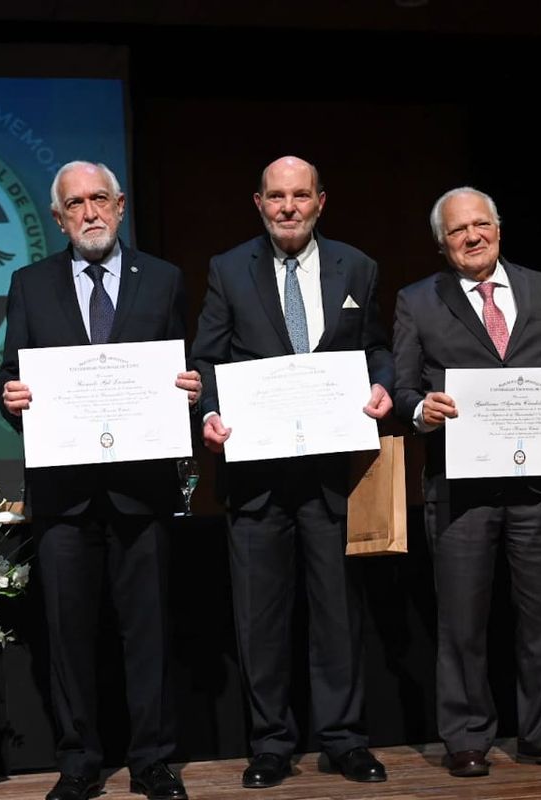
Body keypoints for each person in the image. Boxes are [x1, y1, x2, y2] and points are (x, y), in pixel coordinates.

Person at [0, 161, 200, 800]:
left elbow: (185, 366)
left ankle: (153, 761)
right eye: (75, 204)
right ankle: (79, 762)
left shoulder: (163, 280)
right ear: (58, 218)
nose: (90, 212)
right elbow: (8, 375)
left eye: (100, 200)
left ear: (120, 205)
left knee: (149, 632)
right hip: (64, 490)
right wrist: (10, 396)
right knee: (68, 634)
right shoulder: (30, 284)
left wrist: (193, 388)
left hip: (143, 488)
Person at [189, 155, 393, 789]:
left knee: (337, 612)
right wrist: (212, 411)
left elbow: (378, 347)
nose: (288, 207)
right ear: (258, 203)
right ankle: (271, 744)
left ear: (320, 202)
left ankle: (344, 739)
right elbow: (208, 357)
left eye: (300, 196)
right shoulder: (228, 268)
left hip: (333, 470)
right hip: (255, 474)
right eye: (276, 196)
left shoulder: (356, 266)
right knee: (261, 616)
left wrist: (384, 385)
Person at [392, 187, 541, 778]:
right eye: (457, 231)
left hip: (538, 482)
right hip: (461, 488)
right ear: (442, 243)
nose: (471, 237)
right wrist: (418, 409)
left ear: (499, 229)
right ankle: (465, 737)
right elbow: (404, 386)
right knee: (461, 621)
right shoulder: (418, 300)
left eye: (480, 225)